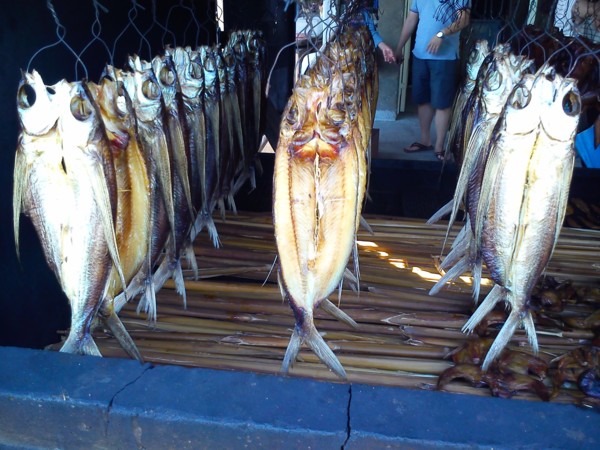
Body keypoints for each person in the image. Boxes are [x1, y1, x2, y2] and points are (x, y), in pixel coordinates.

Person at [394, 0, 471, 160]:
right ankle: (425, 140)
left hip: (445, 58)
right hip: (420, 54)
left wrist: (441, 34)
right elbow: (411, 19)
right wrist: (399, 47)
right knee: (423, 99)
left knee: (442, 103)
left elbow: (464, 20)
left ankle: (439, 147)